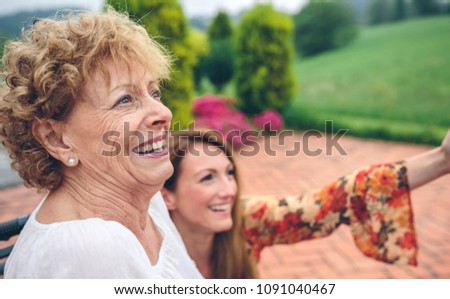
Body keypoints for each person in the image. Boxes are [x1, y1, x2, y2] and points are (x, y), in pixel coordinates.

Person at [0, 9, 202, 278]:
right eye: (124, 100)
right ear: (56, 139)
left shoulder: (145, 199)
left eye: (154, 92)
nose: (164, 113)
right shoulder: (89, 248)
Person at [161, 129, 450, 278]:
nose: (229, 191)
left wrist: (442, 159)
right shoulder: (144, 251)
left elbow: (337, 198)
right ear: (166, 196)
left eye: (230, 173)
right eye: (207, 178)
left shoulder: (247, 219)